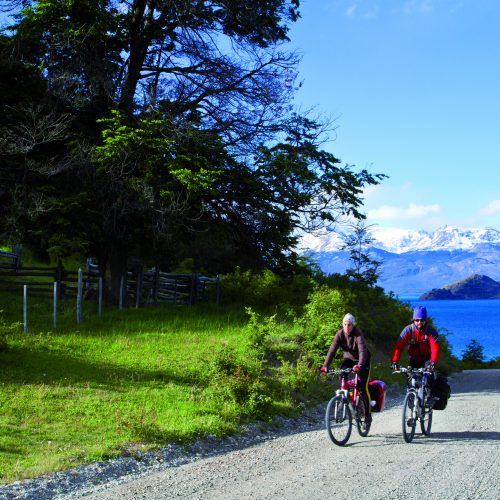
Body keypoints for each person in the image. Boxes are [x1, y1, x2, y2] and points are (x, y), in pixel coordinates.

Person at [320, 313, 372, 421]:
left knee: (363, 386)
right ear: (342, 324)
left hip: (363, 361)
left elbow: (362, 351)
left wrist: (360, 365)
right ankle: (348, 398)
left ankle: (367, 414)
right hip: (349, 360)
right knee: (343, 374)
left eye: (349, 325)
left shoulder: (358, 334)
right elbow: (332, 350)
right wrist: (325, 366)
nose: (347, 327)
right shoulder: (339, 334)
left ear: (353, 325)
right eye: (345, 324)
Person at [391, 306, 440, 371]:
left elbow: (435, 348)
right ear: (413, 320)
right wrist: (395, 361)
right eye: (417, 320)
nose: (419, 322)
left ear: (425, 320)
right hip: (414, 359)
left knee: (429, 376)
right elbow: (399, 346)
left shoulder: (431, 331)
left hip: (428, 359)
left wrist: (433, 362)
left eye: (422, 320)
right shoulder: (408, 330)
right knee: (410, 378)